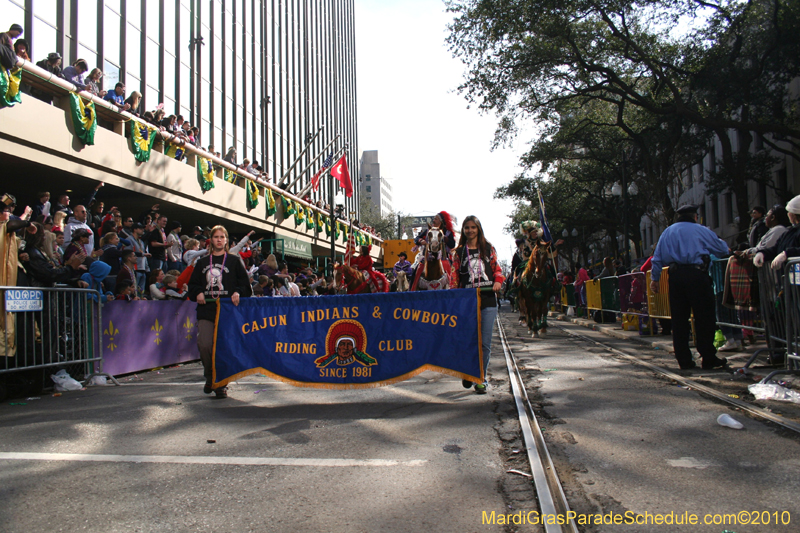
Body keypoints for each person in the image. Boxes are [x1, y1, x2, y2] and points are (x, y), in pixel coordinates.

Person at [650, 204, 730, 370]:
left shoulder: (668, 232)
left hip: (676, 277)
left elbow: (657, 258)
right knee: (704, 317)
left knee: (679, 320)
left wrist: (655, 279)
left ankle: (684, 360)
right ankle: (708, 357)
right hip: (697, 276)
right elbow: (722, 249)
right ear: (695, 216)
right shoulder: (701, 230)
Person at [188, 225, 250, 399]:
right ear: (211, 240)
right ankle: (210, 377)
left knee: (224, 348)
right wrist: (198, 292)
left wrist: (238, 292)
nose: (219, 240)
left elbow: (246, 286)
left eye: (222, 237)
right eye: (216, 237)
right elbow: (192, 287)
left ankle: (221, 383)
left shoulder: (234, 261)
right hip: (207, 311)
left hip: (228, 313)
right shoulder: (201, 263)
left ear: (226, 240)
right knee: (205, 344)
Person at [450, 215, 505, 394]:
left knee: (485, 344)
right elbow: (454, 277)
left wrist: (498, 281)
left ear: (479, 229)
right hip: (467, 303)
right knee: (467, 341)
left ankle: (480, 378)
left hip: (488, 300)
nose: (470, 230)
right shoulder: (458, 253)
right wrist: (454, 296)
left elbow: (497, 269)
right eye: (467, 227)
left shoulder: (488, 248)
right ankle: (468, 371)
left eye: (473, 227)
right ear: (464, 231)